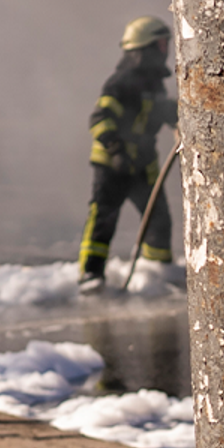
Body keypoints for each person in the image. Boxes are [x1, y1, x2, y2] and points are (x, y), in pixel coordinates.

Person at [77, 16, 178, 293]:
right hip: (113, 165)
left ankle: (158, 272)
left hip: (143, 164)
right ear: (143, 49)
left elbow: (157, 112)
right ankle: (91, 275)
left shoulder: (154, 84)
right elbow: (100, 118)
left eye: (165, 43)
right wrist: (117, 151)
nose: (165, 49)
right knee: (103, 219)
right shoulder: (121, 83)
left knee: (158, 218)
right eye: (159, 44)